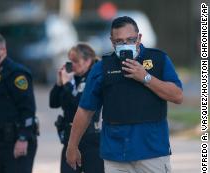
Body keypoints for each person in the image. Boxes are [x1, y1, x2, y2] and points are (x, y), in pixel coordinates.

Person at [66, 16, 183, 173]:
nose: (125, 44)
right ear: (112, 42)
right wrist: (72, 146)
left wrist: (146, 78)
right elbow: (85, 110)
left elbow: (177, 96)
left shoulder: (159, 59)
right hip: (115, 155)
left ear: (139, 38)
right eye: (119, 41)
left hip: (152, 152)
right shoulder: (102, 67)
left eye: (130, 39)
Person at [0, 32, 38, 173]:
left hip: (16, 141)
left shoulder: (17, 74)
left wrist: (23, 138)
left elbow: (28, 108)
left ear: (3, 51)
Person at [49, 43, 104, 173]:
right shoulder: (73, 77)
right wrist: (59, 83)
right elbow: (53, 103)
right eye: (70, 61)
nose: (72, 65)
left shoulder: (94, 78)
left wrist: (68, 84)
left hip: (90, 139)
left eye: (76, 61)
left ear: (88, 61)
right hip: (70, 138)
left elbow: (80, 106)